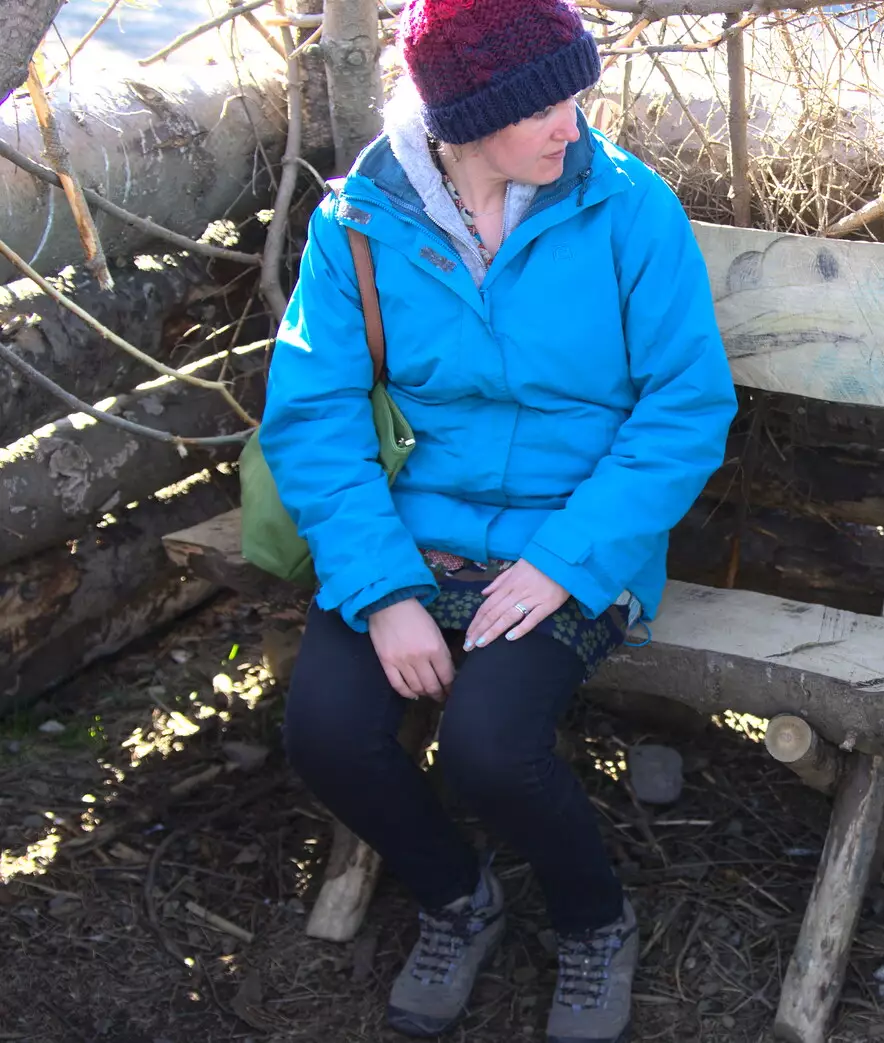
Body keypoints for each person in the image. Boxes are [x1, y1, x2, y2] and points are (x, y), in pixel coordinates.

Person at [258, 0, 737, 1035]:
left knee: (489, 744)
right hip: (408, 531)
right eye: (543, 109)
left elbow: (685, 407)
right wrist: (383, 591)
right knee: (327, 731)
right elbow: (314, 417)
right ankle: (455, 898)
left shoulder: (626, 209)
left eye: (575, 96)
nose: (573, 124)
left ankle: (594, 921)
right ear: (466, 121)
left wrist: (566, 560)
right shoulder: (360, 226)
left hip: (577, 535)